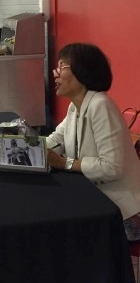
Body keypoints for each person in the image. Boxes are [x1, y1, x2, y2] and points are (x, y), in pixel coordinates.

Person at [47, 42, 140, 241]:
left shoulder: (100, 105)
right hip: (97, 199)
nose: (55, 73)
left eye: (62, 66)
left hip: (124, 212)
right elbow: (55, 140)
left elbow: (112, 167)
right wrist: (18, 149)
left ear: (83, 72)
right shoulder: (76, 107)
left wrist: (65, 163)